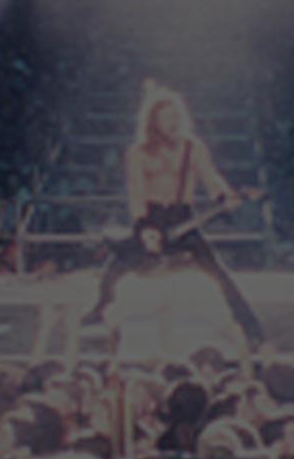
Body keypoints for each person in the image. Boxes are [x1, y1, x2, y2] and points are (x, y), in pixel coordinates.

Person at [83, 80, 265, 351]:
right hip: (152, 215)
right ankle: (98, 314)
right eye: (166, 117)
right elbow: (137, 191)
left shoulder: (193, 147)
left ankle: (251, 328)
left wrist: (224, 197)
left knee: (216, 272)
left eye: (176, 116)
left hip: (183, 216)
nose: (172, 122)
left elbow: (210, 176)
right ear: (153, 120)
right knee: (116, 268)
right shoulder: (137, 152)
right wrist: (144, 227)